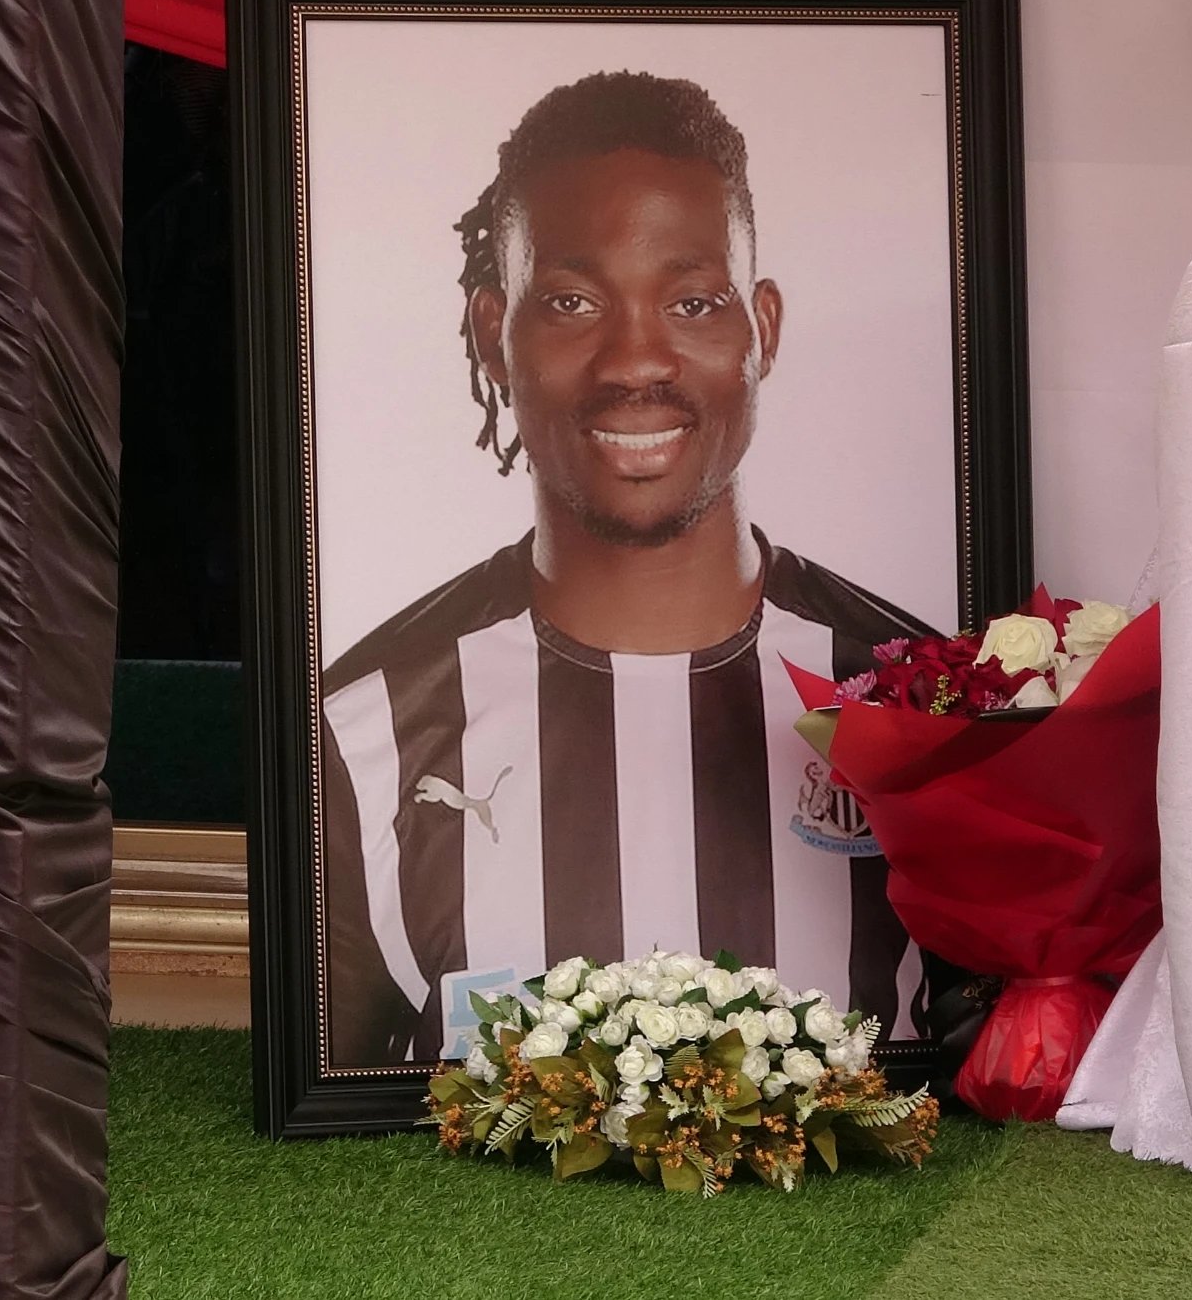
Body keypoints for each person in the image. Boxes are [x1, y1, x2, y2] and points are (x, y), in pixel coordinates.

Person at [320, 70, 934, 1066]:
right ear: (492, 334)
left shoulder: (922, 705)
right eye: (571, 301)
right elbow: (316, 1131)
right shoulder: (362, 735)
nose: (635, 359)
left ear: (763, 329)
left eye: (693, 301)